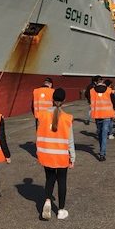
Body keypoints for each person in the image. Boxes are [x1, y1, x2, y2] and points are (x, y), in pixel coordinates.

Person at [36, 88, 75, 220]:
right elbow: (70, 140)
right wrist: (73, 157)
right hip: (62, 155)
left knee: (50, 179)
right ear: (64, 101)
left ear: (52, 99)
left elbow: (39, 134)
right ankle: (61, 210)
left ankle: (47, 200)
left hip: (46, 153)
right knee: (62, 181)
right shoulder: (67, 118)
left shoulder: (42, 115)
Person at [90, 77, 115, 161]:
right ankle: (102, 153)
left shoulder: (92, 91)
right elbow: (114, 100)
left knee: (100, 134)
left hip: (97, 114)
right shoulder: (109, 90)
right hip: (107, 114)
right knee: (104, 135)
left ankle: (102, 150)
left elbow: (88, 97)